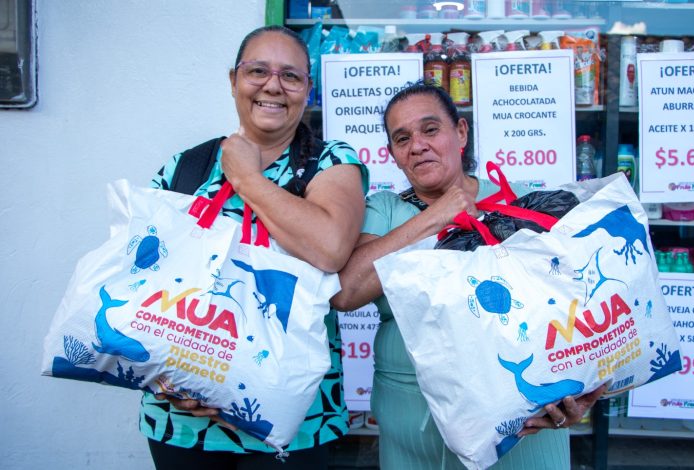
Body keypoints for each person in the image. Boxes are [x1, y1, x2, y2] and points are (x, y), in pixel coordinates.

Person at [331, 82, 606, 469]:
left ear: (460, 132)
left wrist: (584, 389)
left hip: (524, 429)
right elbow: (347, 292)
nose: (418, 145)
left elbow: (581, 298)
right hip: (414, 431)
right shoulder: (385, 210)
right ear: (393, 154)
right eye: (402, 138)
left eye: (430, 129)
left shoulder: (519, 201)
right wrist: (436, 216)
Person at [139, 25, 368, 469]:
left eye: (290, 76)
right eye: (258, 71)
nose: (273, 86)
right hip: (182, 419)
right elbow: (143, 281)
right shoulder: (186, 167)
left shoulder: (331, 162)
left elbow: (330, 248)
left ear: (307, 89)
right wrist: (163, 378)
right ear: (234, 81)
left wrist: (245, 176)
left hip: (292, 421)